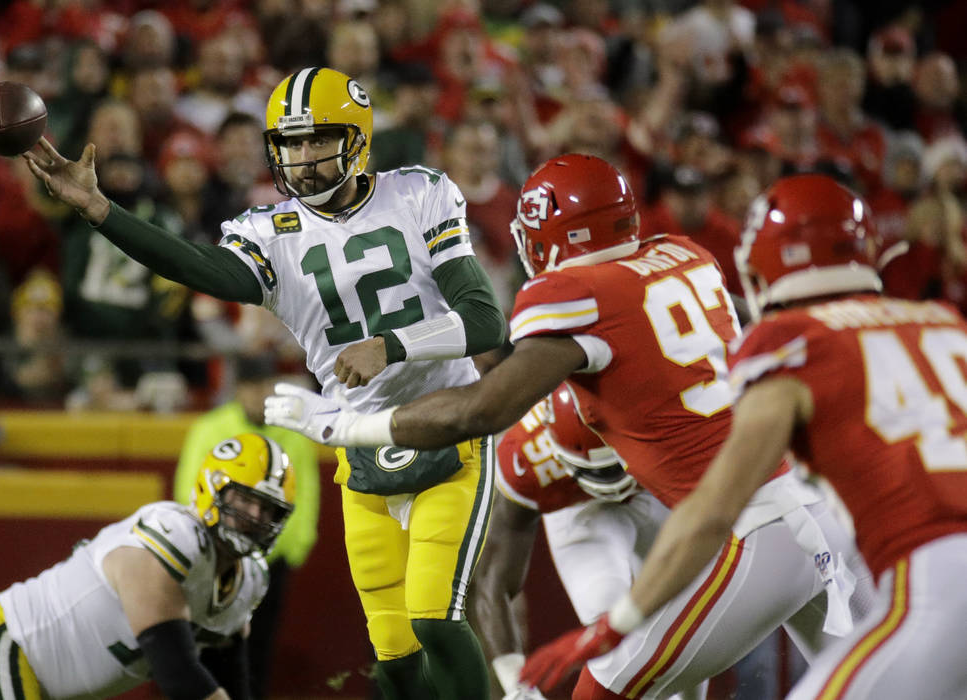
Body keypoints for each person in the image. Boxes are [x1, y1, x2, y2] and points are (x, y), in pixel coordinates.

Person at [264, 154, 874, 698]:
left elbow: (481, 409)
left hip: (756, 530)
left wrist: (350, 427)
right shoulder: (686, 254)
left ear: (555, 238)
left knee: (602, 689)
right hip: (810, 506)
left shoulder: (577, 294)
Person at [22, 66, 507, 700]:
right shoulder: (270, 233)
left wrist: (390, 345)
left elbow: (484, 319)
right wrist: (100, 211)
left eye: (317, 140)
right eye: (291, 143)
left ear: (358, 138)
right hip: (361, 445)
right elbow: (197, 266)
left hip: (449, 426)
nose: (303, 159)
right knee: (393, 654)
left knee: (434, 621)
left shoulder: (419, 193)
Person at [517, 173, 967, 699]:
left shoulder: (791, 343)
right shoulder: (942, 319)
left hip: (922, 578)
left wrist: (617, 621)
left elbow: (713, 511)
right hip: (851, 545)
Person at [0, 433, 297, 700]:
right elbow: (178, 674)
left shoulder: (249, 581)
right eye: (245, 499)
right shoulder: (174, 535)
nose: (254, 517)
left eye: (268, 510)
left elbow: (230, 684)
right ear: (212, 489)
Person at [470, 384, 707, 700]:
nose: (610, 485)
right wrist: (516, 687)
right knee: (611, 632)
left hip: (653, 485)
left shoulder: (666, 413)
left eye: (611, 468)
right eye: (599, 471)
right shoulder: (524, 455)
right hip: (577, 507)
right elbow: (492, 583)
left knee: (690, 612)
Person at [174, 355, 320, 699]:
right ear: (237, 389)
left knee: (258, 650)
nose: (260, 394)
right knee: (204, 648)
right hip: (214, 560)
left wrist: (288, 551)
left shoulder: (294, 435)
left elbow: (305, 497)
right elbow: (190, 490)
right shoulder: (209, 428)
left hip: (269, 563)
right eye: (253, 386)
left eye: (266, 385)